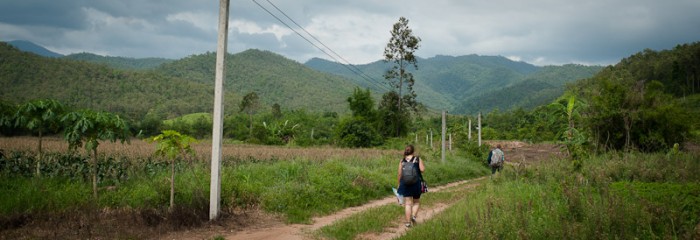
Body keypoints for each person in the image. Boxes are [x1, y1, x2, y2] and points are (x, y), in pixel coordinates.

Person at [397, 145, 425, 228]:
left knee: (408, 203)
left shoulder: (402, 161)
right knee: (416, 202)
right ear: (413, 151)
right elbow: (422, 170)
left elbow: (399, 174)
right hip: (416, 183)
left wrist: (398, 184)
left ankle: (408, 222)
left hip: (405, 183)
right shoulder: (417, 159)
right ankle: (413, 216)